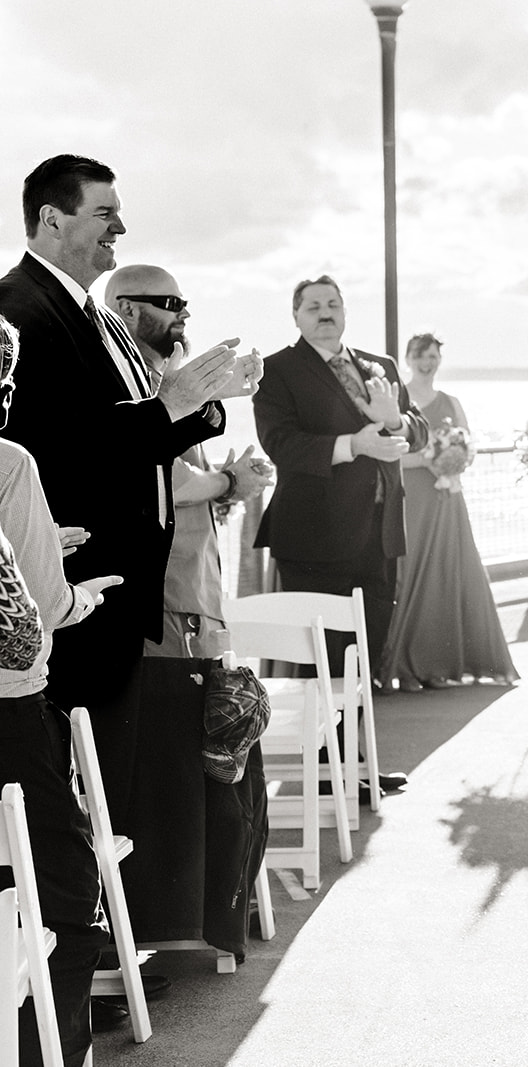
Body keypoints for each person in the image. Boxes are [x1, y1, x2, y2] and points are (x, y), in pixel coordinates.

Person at [0, 155, 252, 834]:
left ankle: (105, 925)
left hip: (114, 601)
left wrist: (200, 404)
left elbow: (138, 431)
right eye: (105, 213)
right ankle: (79, 932)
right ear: (52, 220)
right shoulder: (16, 309)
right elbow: (48, 447)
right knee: (69, 786)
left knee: (106, 783)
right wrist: (166, 404)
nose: (122, 226)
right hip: (68, 591)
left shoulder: (96, 315)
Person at [104, 265, 273, 960]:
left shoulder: (172, 393)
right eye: (167, 304)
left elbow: (191, 492)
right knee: (182, 775)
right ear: (124, 309)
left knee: (214, 763)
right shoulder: (139, 395)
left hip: (199, 604)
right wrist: (232, 479)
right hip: (167, 613)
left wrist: (228, 486)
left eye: (184, 303)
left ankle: (208, 917)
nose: (181, 316)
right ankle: (172, 928)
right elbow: (168, 484)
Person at [0, 314, 120, 1067]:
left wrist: (34, 542)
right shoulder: (9, 464)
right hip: (10, 718)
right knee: (67, 907)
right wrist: (77, 597)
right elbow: (33, 616)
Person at [252, 275, 428, 692]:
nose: (325, 313)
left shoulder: (380, 365)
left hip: (380, 534)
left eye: (333, 304)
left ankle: (356, 749)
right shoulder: (277, 370)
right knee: (325, 656)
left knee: (370, 646)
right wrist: (355, 444)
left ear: (345, 311)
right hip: (315, 536)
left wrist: (392, 420)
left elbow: (419, 431)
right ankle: (327, 749)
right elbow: (281, 444)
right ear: (296, 316)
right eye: (313, 307)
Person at [382, 333, 517, 692]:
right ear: (408, 358)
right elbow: (391, 453)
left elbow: (467, 448)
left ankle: (441, 664)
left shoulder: (451, 402)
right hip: (413, 498)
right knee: (411, 573)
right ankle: (406, 667)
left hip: (447, 499)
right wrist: (427, 459)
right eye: (421, 355)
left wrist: (451, 460)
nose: (428, 362)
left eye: (433, 356)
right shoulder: (399, 401)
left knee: (449, 572)